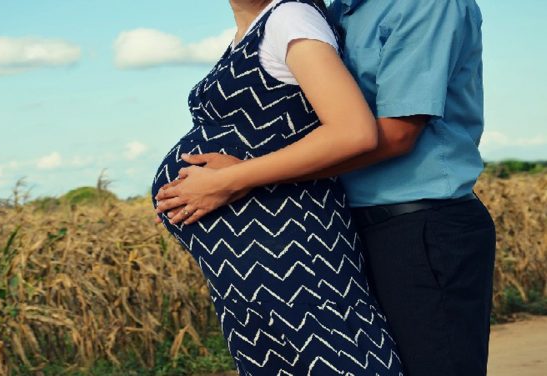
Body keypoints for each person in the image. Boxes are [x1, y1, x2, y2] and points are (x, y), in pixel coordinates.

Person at [155, 0, 497, 375]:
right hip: (350, 227)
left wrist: (236, 178)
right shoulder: (340, 11)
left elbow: (396, 134)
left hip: (418, 223)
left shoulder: (425, 4)